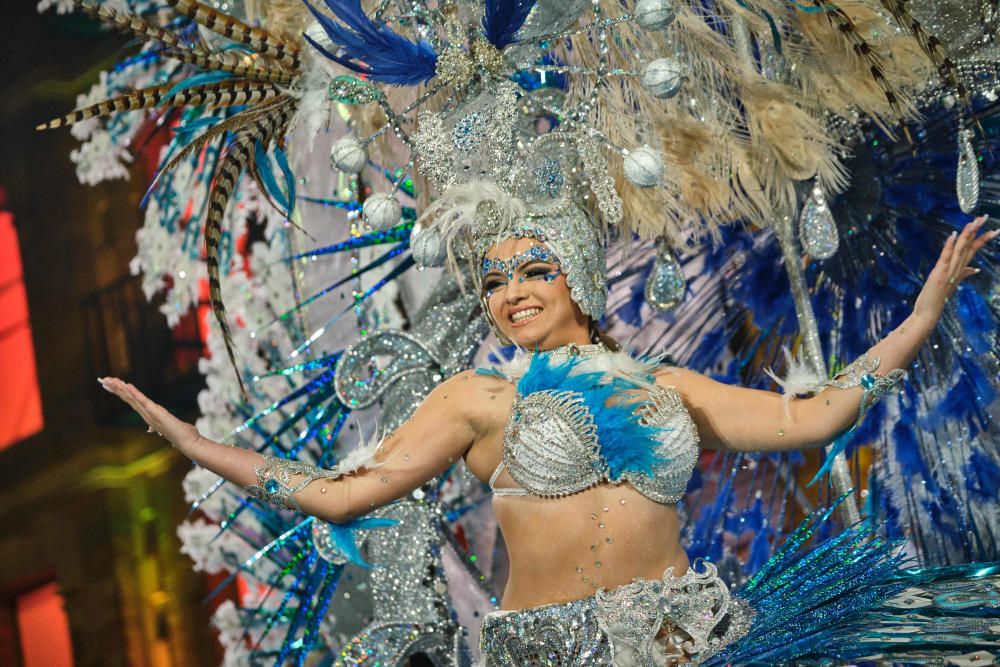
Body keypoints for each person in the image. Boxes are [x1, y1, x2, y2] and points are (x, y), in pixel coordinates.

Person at [100, 210, 998, 665]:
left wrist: (921, 316)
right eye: (494, 280)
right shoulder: (477, 399)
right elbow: (341, 492)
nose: (511, 290)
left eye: (535, 269)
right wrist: (192, 440)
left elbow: (816, 416)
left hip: (685, 639)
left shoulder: (667, 385)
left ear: (576, 279)